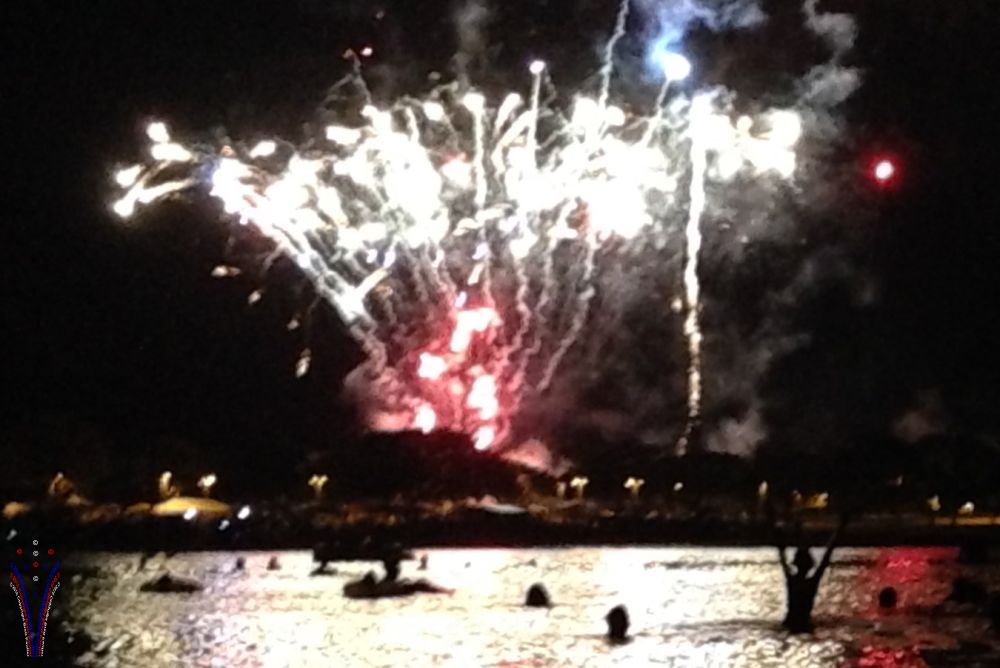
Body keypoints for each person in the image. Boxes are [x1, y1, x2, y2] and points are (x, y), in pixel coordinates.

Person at [775, 514, 847, 634]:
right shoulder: (811, 582)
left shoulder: (792, 580)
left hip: (789, 623)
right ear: (810, 565)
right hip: (804, 624)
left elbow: (781, 553)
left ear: (795, 564)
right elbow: (828, 554)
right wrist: (841, 528)